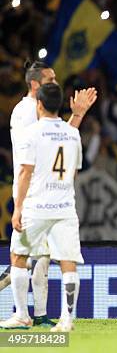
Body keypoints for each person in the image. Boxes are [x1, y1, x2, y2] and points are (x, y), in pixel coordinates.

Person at [0, 60, 96, 328]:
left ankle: (32, 313)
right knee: (52, 259)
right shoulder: (25, 112)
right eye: (50, 79)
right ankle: (40, 315)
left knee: (31, 258)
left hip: (39, 195)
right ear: (35, 85)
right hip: (45, 194)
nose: (55, 82)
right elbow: (37, 161)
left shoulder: (37, 121)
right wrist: (75, 117)